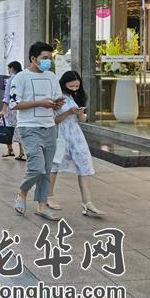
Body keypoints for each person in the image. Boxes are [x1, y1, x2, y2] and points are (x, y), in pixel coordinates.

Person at [10, 42, 64, 221]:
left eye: (50, 58)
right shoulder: (21, 77)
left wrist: (57, 103)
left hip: (50, 127)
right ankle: (22, 192)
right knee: (36, 167)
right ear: (33, 58)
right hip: (29, 127)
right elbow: (14, 104)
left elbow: (56, 99)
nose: (49, 61)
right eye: (45, 58)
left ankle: (42, 206)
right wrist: (40, 103)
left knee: (46, 170)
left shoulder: (52, 76)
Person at [47, 71, 104, 217]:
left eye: (77, 86)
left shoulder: (78, 95)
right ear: (64, 83)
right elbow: (53, 120)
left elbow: (83, 119)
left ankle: (87, 202)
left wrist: (79, 114)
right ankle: (49, 196)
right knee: (55, 165)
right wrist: (69, 112)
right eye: (71, 86)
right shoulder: (57, 97)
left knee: (84, 164)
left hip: (76, 134)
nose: (74, 88)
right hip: (59, 134)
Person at [0, 61, 26, 161]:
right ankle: (21, 152)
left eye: (8, 68)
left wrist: (3, 109)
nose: (8, 70)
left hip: (11, 108)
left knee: (7, 128)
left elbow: (7, 96)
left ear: (12, 68)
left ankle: (10, 149)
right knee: (19, 129)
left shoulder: (11, 79)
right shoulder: (23, 77)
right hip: (21, 107)